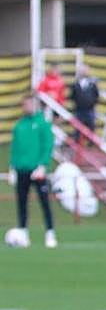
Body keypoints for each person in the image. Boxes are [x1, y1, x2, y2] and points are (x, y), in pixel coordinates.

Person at [7, 91, 57, 248]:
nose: (26, 107)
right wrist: (12, 167)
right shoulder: (19, 125)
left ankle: (50, 232)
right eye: (25, 104)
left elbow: (47, 145)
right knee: (22, 202)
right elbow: (15, 148)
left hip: (37, 170)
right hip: (22, 169)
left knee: (44, 202)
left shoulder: (42, 123)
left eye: (29, 103)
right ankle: (23, 233)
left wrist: (43, 165)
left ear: (35, 105)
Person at [70, 64, 101, 142]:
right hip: (79, 109)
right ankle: (76, 143)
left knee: (91, 126)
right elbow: (73, 96)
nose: (84, 72)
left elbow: (96, 95)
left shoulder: (92, 84)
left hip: (89, 109)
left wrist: (92, 103)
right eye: (82, 70)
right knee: (78, 127)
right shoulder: (76, 84)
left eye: (85, 70)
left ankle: (91, 143)